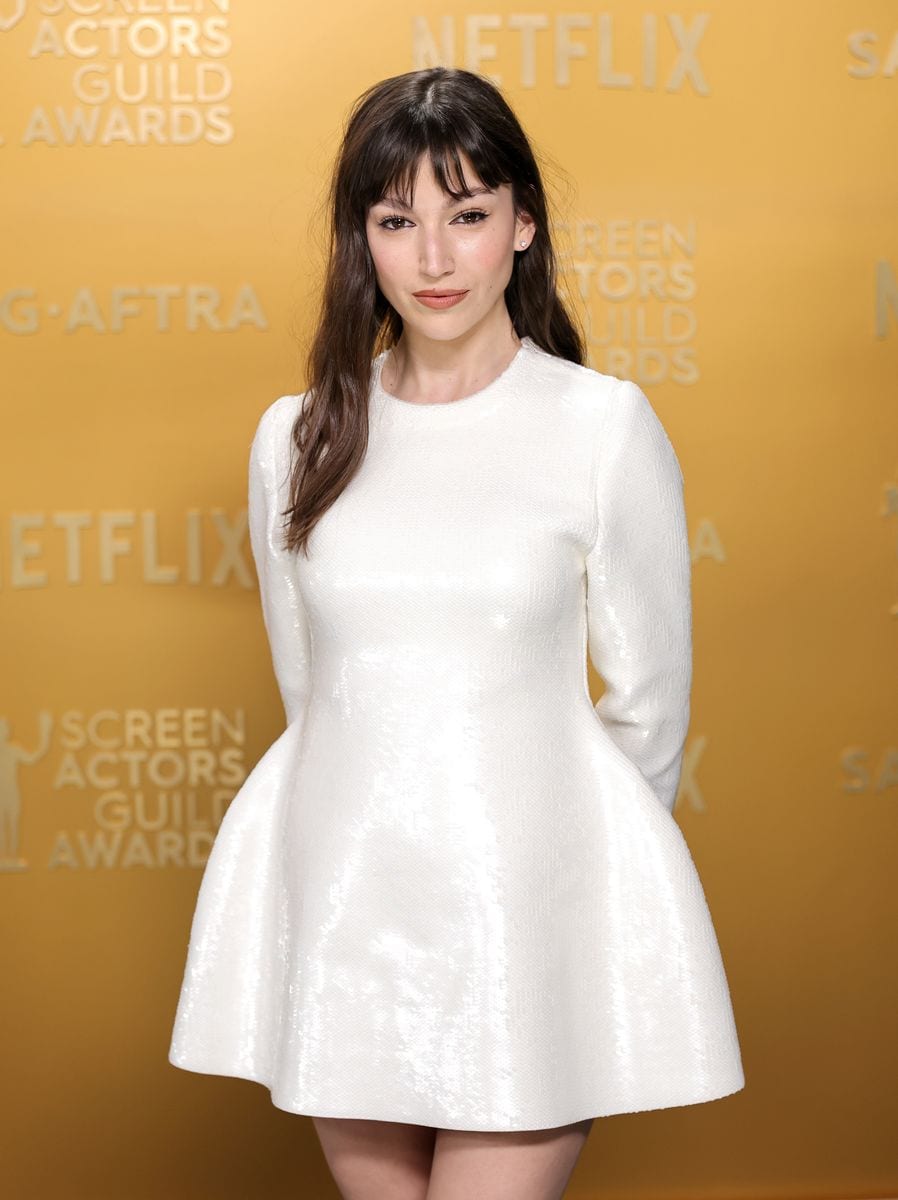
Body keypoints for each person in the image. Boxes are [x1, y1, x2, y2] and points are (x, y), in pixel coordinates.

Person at [168, 66, 745, 1200]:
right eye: (397, 222)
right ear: (362, 240)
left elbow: (649, 711)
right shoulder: (295, 438)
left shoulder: (600, 426)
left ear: (522, 225)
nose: (433, 260)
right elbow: (313, 696)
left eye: (467, 216)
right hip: (349, 912)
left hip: (526, 918)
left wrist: (579, 900)